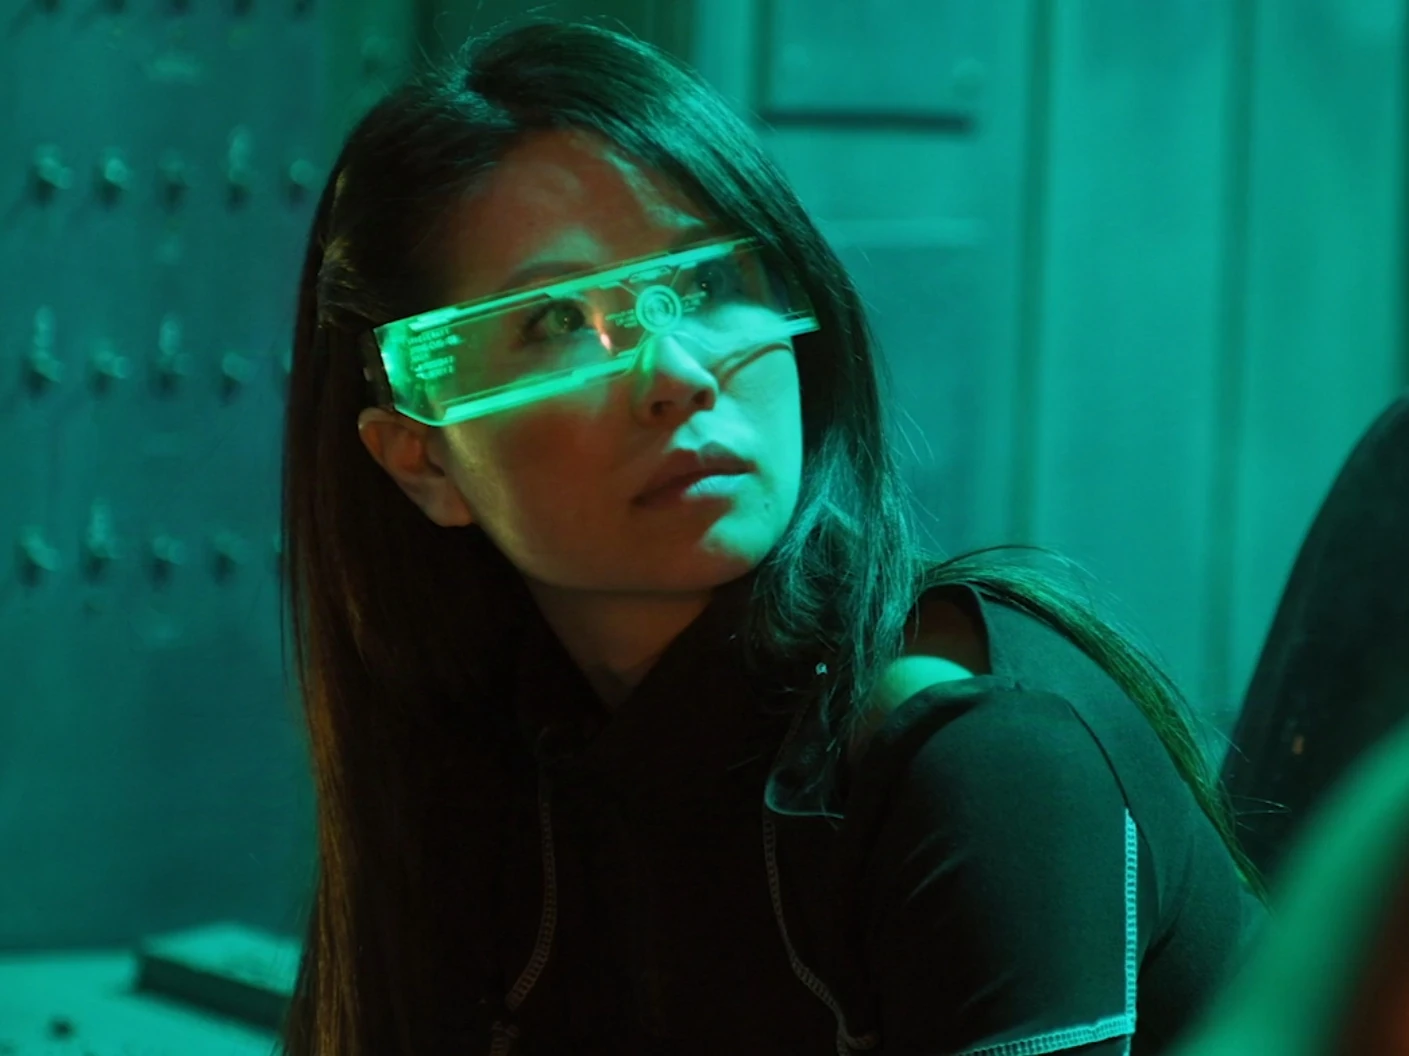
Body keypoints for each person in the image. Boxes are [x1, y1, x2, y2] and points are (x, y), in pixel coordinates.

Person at [277, 18, 1266, 1056]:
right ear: (422, 461)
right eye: (555, 322)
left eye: (704, 285)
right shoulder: (485, 769)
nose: (675, 375)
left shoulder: (975, 752)